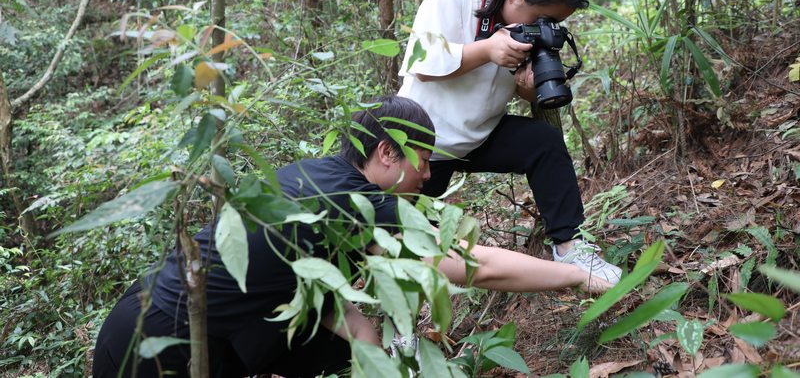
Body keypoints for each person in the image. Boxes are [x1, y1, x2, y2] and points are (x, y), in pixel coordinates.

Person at [92, 96, 611, 378]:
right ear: (388, 152)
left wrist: (373, 347)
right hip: (162, 350)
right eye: (423, 162)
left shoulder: (315, 174)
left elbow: (316, 286)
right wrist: (578, 275)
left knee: (339, 351)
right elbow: (475, 265)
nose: (427, 178)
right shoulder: (355, 203)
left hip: (135, 322)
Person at [398, 0, 622, 284]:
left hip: (480, 134)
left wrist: (529, 85)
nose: (543, 26)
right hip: (425, 143)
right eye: (541, 18)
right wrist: (489, 49)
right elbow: (423, 64)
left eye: (555, 22)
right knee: (408, 244)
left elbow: (518, 90)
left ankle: (570, 249)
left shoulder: (524, 20)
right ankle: (402, 330)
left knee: (543, 142)